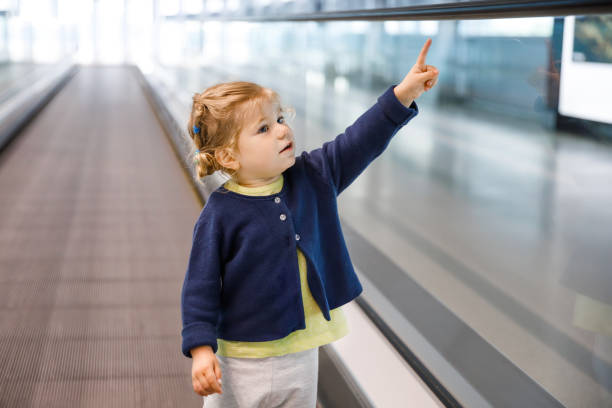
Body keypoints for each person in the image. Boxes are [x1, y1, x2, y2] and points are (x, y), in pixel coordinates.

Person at [181, 38, 439, 408]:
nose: (283, 131)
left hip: (300, 351)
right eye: (264, 129)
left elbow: (358, 141)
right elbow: (199, 287)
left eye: (280, 119)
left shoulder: (314, 176)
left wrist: (402, 94)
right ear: (228, 156)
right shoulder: (220, 214)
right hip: (239, 358)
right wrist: (202, 349)